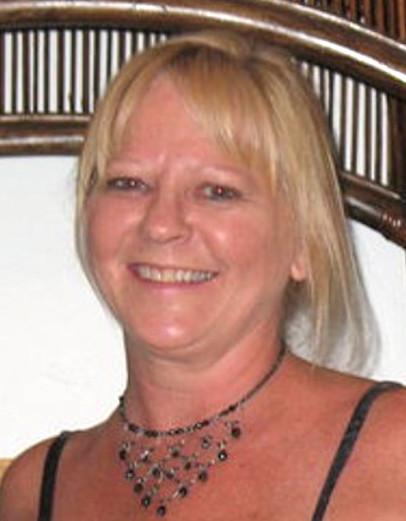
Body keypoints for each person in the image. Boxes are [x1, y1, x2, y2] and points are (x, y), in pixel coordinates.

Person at [0, 30, 405, 521]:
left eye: (217, 191)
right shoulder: (33, 491)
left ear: (303, 241)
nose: (161, 224)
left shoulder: (393, 453)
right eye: (129, 183)